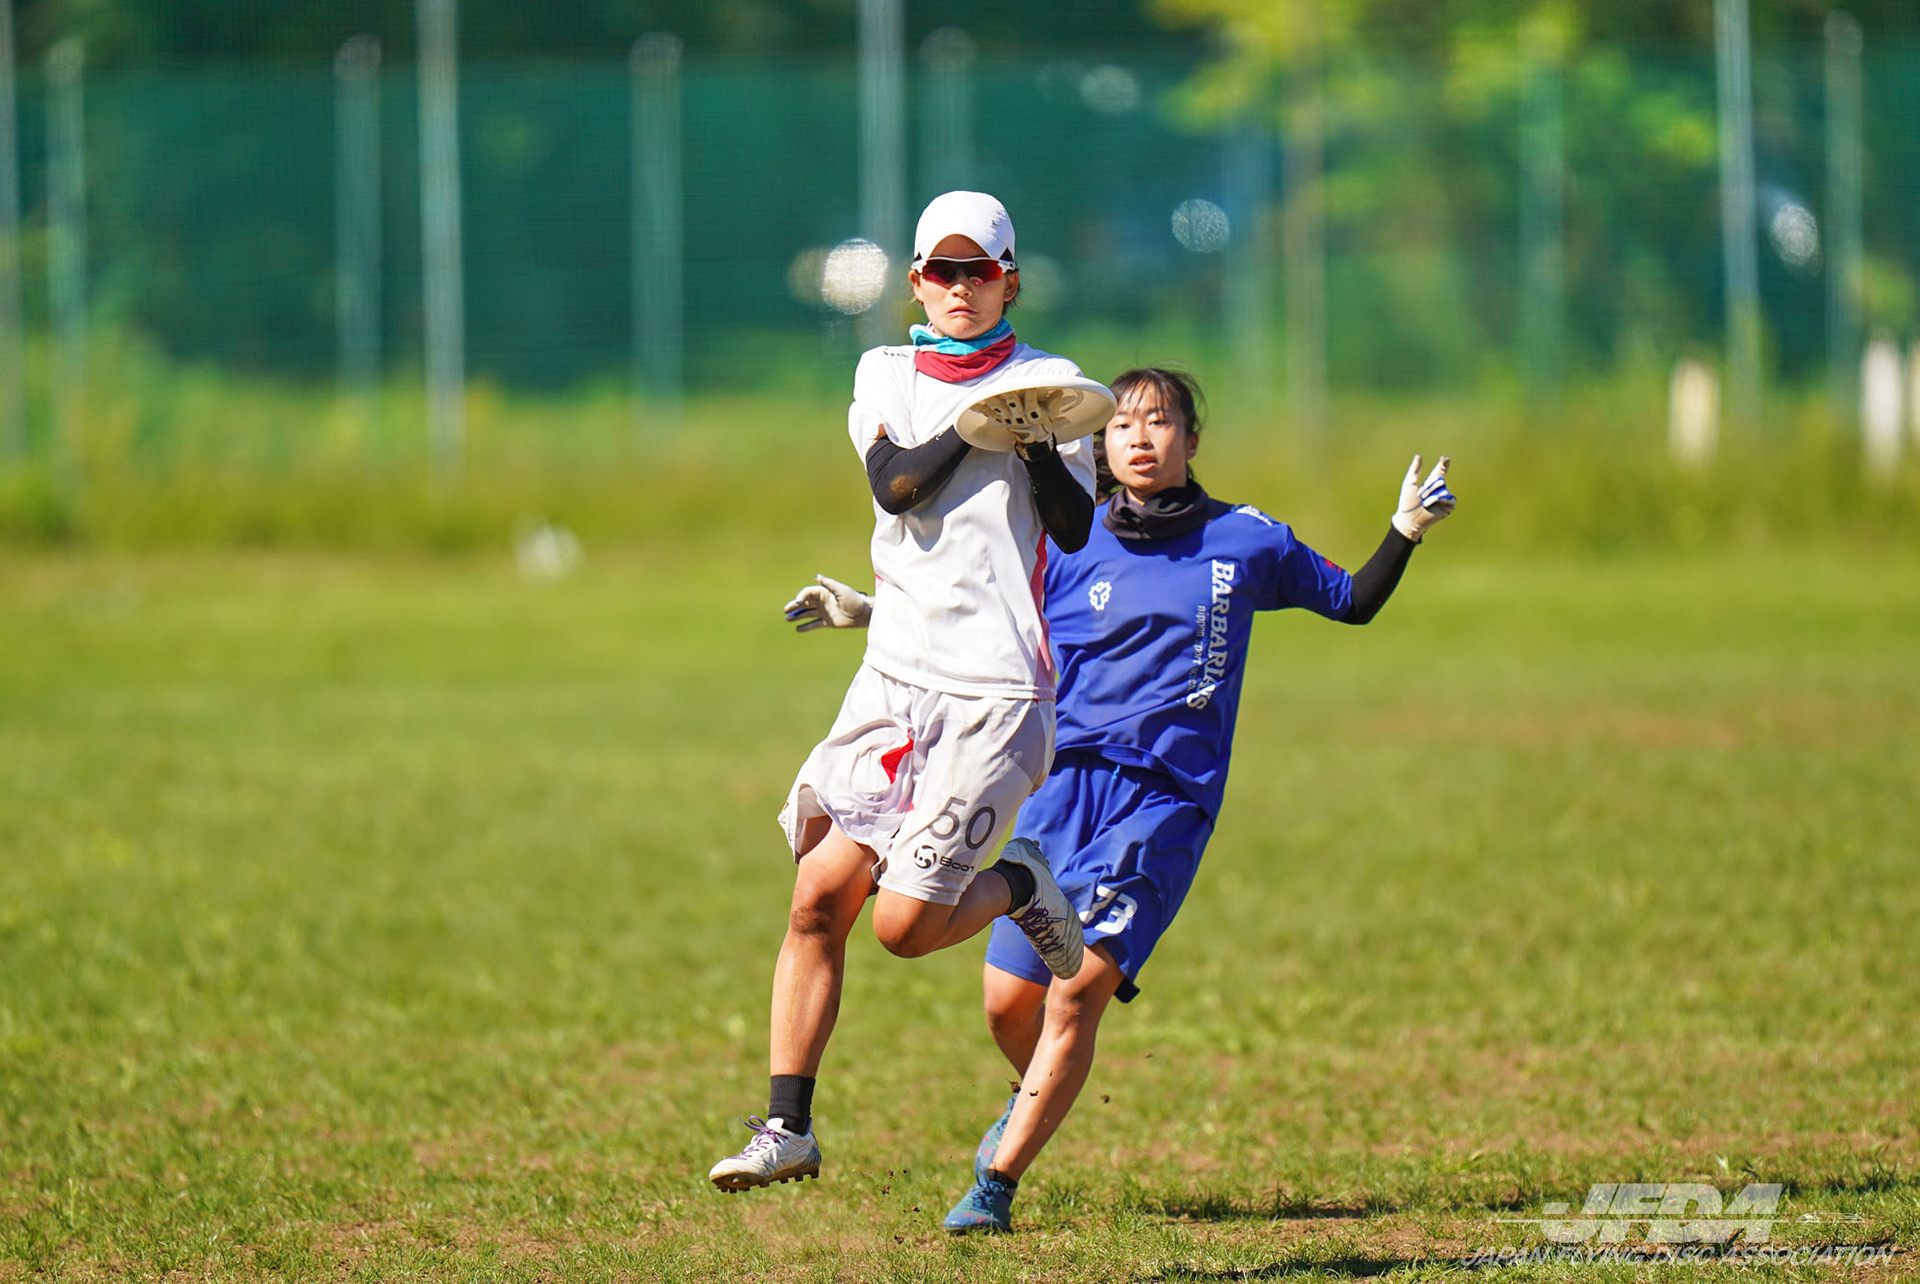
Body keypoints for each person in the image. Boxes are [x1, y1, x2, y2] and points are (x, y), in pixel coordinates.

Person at [781, 367, 1456, 1232]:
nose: (1141, 437)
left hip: (1163, 803)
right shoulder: (1070, 537)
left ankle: (995, 1187)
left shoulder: (1246, 540)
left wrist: (1403, 531)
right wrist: (872, 612)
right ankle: (1032, 1098)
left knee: (1076, 994)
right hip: (1060, 789)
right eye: (1125, 423)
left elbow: (1352, 600)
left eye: (1161, 421)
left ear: (1192, 440)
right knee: (1008, 1005)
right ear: (1100, 442)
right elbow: (982, 620)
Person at [708, 191, 1108, 1194]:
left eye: (980, 271)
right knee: (817, 897)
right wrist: (983, 423)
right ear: (916, 282)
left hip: (995, 695)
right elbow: (898, 485)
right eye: (941, 270)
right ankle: (787, 1127)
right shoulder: (885, 371)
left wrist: (1030, 439)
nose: (960, 287)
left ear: (1010, 281)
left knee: (902, 929)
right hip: (892, 678)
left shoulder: (1054, 387)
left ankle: (1020, 885)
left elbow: (1073, 528)